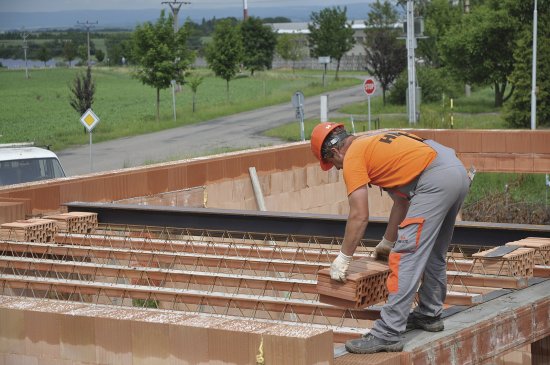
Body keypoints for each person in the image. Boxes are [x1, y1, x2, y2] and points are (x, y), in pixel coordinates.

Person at [310, 122, 471, 354]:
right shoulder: (372, 143)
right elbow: (402, 201)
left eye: (333, 165)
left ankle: (387, 333)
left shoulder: (352, 157)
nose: (337, 169)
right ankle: (429, 314)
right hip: (454, 170)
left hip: (434, 180)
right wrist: (387, 241)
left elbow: (359, 215)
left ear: (335, 152)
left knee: (405, 257)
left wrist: (344, 257)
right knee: (434, 251)